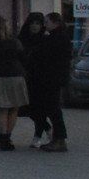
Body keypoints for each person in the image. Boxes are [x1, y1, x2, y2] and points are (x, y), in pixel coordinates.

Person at [27, 11, 72, 152]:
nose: (44, 25)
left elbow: (45, 57)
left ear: (56, 23)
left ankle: (59, 139)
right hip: (54, 78)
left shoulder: (56, 38)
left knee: (54, 110)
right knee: (52, 109)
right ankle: (57, 138)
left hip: (51, 79)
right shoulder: (58, 36)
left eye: (47, 22)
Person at [0, 16, 28, 149]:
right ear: (6, 27)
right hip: (15, 76)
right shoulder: (15, 43)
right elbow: (23, 59)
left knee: (1, 109)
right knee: (14, 108)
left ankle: (3, 138)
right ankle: (8, 136)